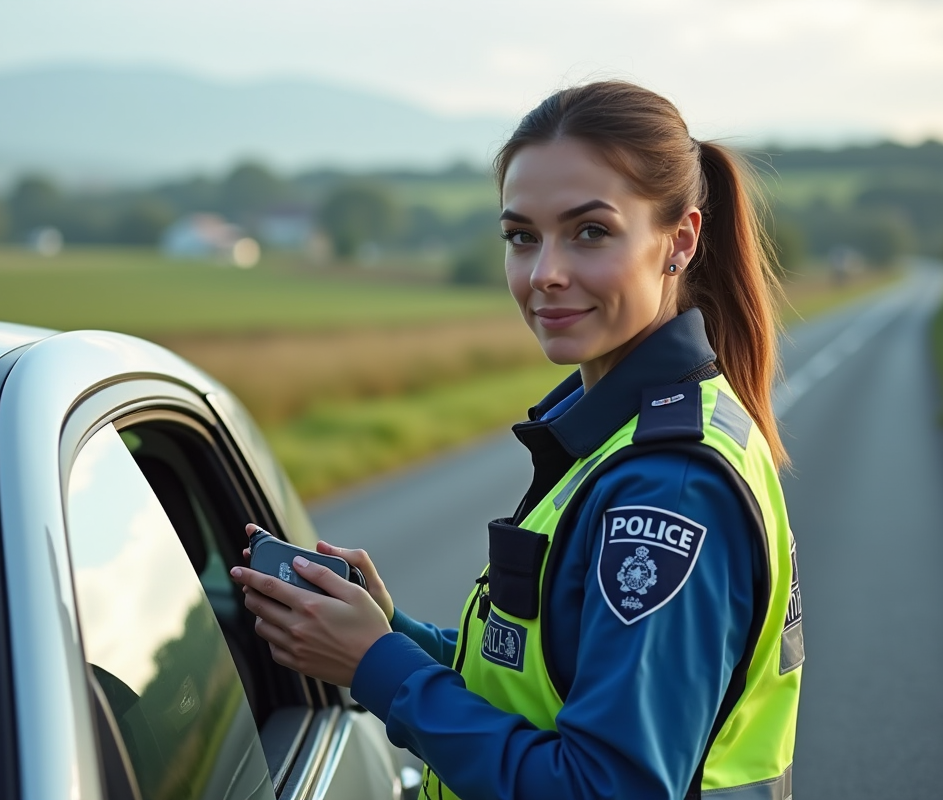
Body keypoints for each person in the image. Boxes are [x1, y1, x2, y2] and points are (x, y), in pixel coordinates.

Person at [230, 80, 803, 800]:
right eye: (520, 237)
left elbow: (603, 789)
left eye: (590, 232)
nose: (544, 274)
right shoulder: (622, 434)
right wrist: (393, 632)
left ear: (679, 241)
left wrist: (376, 664)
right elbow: (549, 683)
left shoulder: (668, 489)